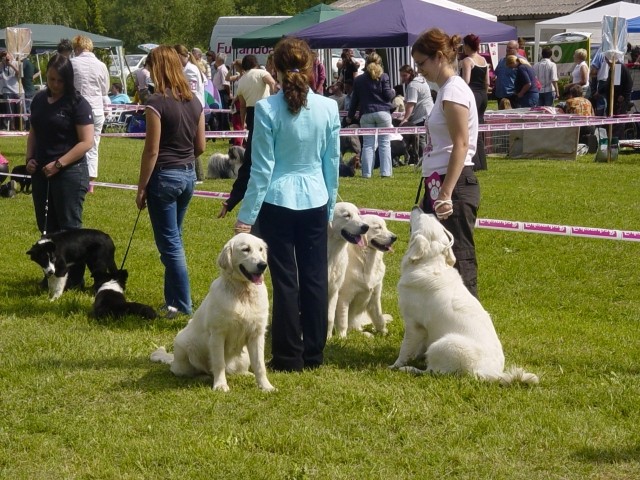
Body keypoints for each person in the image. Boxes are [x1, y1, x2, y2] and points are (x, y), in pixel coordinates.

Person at [234, 37, 340, 372]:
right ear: (310, 67)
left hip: (277, 200)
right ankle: (314, 353)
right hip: (315, 197)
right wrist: (330, 204)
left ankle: (287, 356)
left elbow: (262, 169)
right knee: (315, 278)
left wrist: (245, 217)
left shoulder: (266, 110)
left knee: (285, 281)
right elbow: (332, 162)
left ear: (274, 69)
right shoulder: (328, 107)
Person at [135, 45, 206, 317]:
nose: (149, 73)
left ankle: (184, 306)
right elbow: (200, 146)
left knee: (171, 246)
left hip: (164, 176)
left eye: (152, 68)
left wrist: (141, 188)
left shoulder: (155, 103)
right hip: (188, 175)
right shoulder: (195, 102)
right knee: (175, 239)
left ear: (158, 68)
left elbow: (151, 150)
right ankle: (172, 303)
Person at [411, 28, 480, 297]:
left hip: (455, 186)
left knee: (459, 260)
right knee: (438, 260)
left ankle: (471, 328)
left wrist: (447, 193)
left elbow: (460, 144)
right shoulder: (444, 92)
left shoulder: (453, 92)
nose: (419, 70)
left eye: (422, 63)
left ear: (439, 56)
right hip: (439, 183)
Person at [25, 54, 94, 287]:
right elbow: (33, 132)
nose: (54, 85)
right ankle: (54, 274)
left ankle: (75, 279)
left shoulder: (78, 104)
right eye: (51, 79)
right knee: (48, 229)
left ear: (68, 80)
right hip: (41, 173)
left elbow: (86, 142)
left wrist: (59, 164)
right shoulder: (39, 100)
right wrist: (30, 159)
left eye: (59, 81)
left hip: (69, 173)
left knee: (70, 229)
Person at [217, 54, 276, 219]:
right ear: (256, 64)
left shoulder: (242, 80)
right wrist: (273, 98)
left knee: (252, 156)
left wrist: (242, 124)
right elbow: (271, 82)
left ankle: (237, 195)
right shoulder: (261, 72)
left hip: (252, 114)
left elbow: (241, 106)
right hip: (267, 110)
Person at [345, 52, 395, 178]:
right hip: (383, 114)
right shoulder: (384, 77)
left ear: (366, 63)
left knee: (368, 144)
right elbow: (388, 96)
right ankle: (386, 172)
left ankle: (366, 173)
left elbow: (354, 100)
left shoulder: (359, 80)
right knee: (384, 143)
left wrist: (350, 116)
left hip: (366, 114)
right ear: (380, 63)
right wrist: (393, 91)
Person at [71, 35, 110, 192]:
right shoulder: (101, 65)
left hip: (77, 109)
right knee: (94, 145)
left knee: (75, 143)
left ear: (78, 48)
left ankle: (75, 177)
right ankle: (90, 184)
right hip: (96, 109)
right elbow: (105, 89)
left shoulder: (72, 63)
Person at [459, 33, 488, 170]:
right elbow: (487, 82)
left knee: (471, 129)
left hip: (473, 95)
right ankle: (482, 163)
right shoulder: (483, 61)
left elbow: (466, 81)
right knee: (480, 129)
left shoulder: (467, 61)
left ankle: (475, 163)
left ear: (467, 46)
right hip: (483, 95)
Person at [398, 64, 433, 165]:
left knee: (421, 139)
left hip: (422, 116)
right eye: (401, 76)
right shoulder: (421, 81)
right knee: (426, 139)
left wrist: (405, 119)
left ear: (411, 73)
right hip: (429, 113)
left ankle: (423, 161)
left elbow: (411, 103)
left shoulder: (413, 85)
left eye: (405, 75)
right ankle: (423, 159)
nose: (403, 78)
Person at [494, 40, 521, 109]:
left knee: (514, 117)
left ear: (517, 49)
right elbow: (496, 73)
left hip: (512, 95)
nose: (507, 49)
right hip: (500, 94)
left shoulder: (520, 61)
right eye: (507, 47)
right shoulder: (502, 60)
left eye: (510, 48)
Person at [1, 51, 20, 130]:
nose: (6, 57)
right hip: (6, 90)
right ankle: (12, 127)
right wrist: (3, 63)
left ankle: (22, 126)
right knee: (10, 111)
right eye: (3, 56)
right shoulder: (1, 65)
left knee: (20, 109)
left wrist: (11, 65)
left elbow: (19, 73)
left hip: (16, 89)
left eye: (6, 55)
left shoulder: (16, 63)